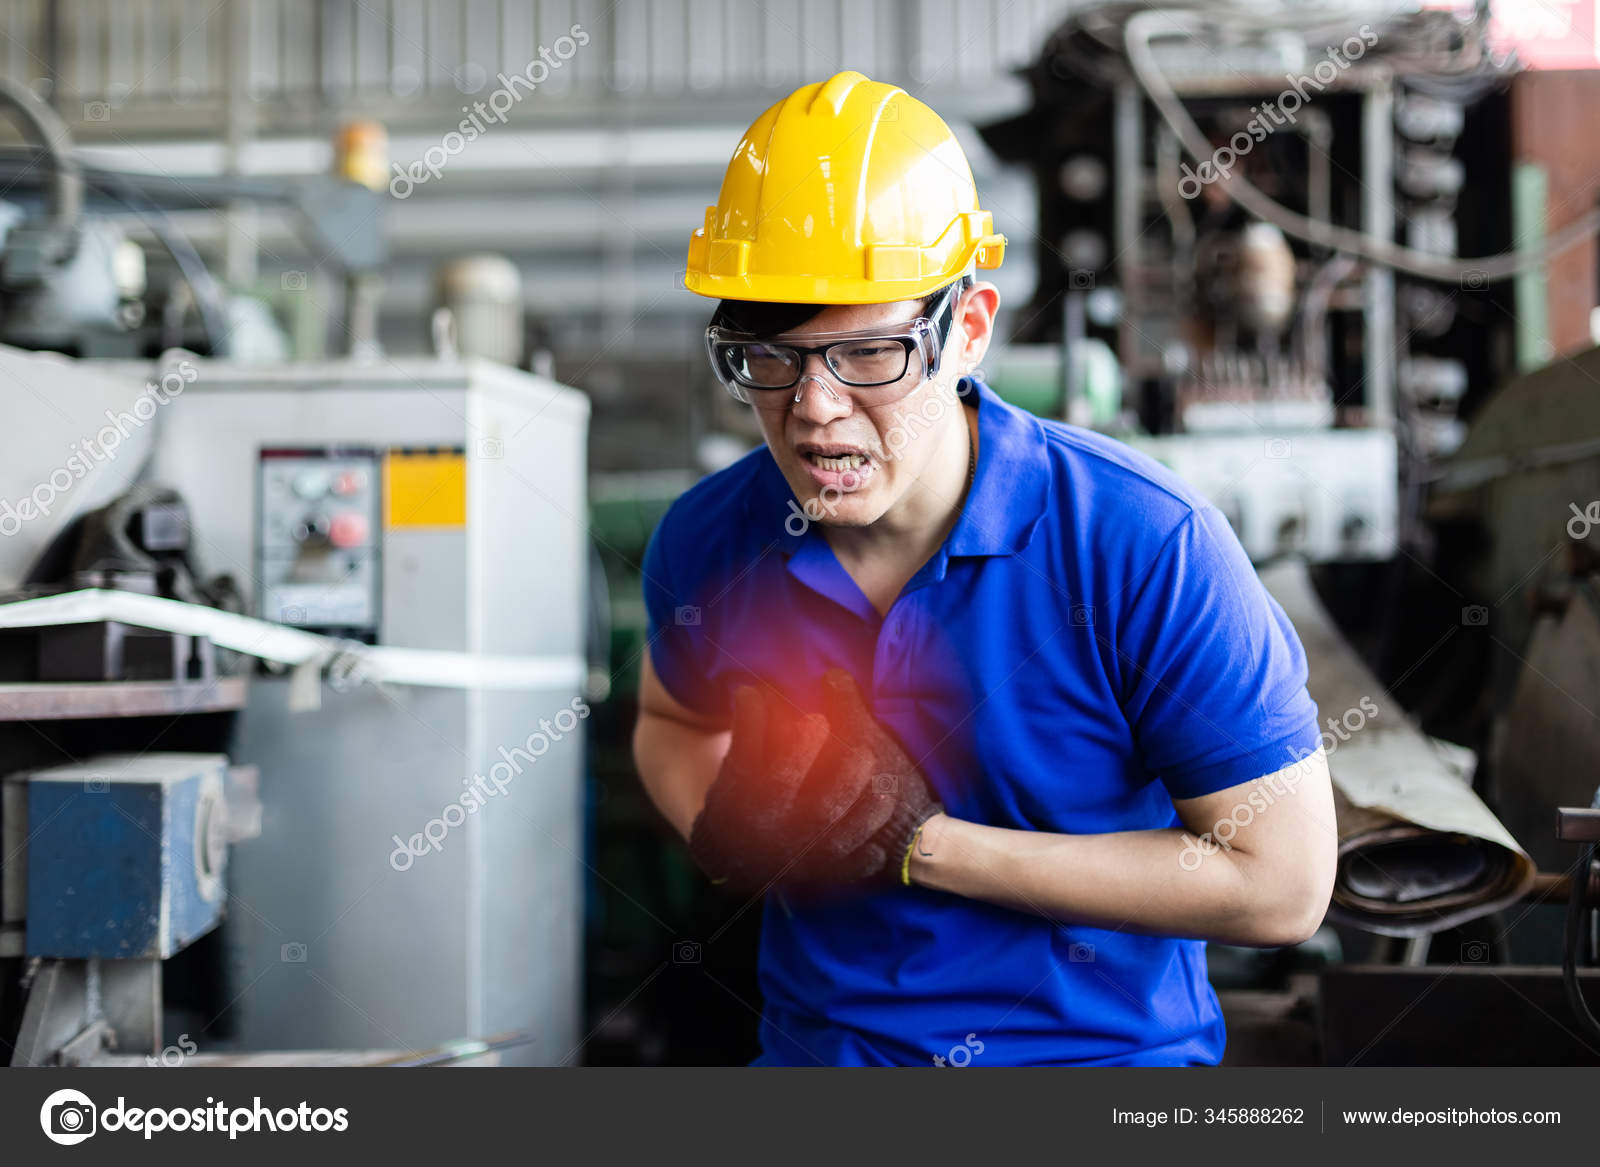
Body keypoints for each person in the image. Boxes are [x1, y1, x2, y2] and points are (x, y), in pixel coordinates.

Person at [633, 70, 1335, 1067]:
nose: (815, 408)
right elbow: (674, 721)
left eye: (869, 355)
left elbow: (1281, 885)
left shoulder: (1138, 543)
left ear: (968, 328)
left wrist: (923, 845)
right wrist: (723, 817)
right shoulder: (712, 541)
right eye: (770, 358)